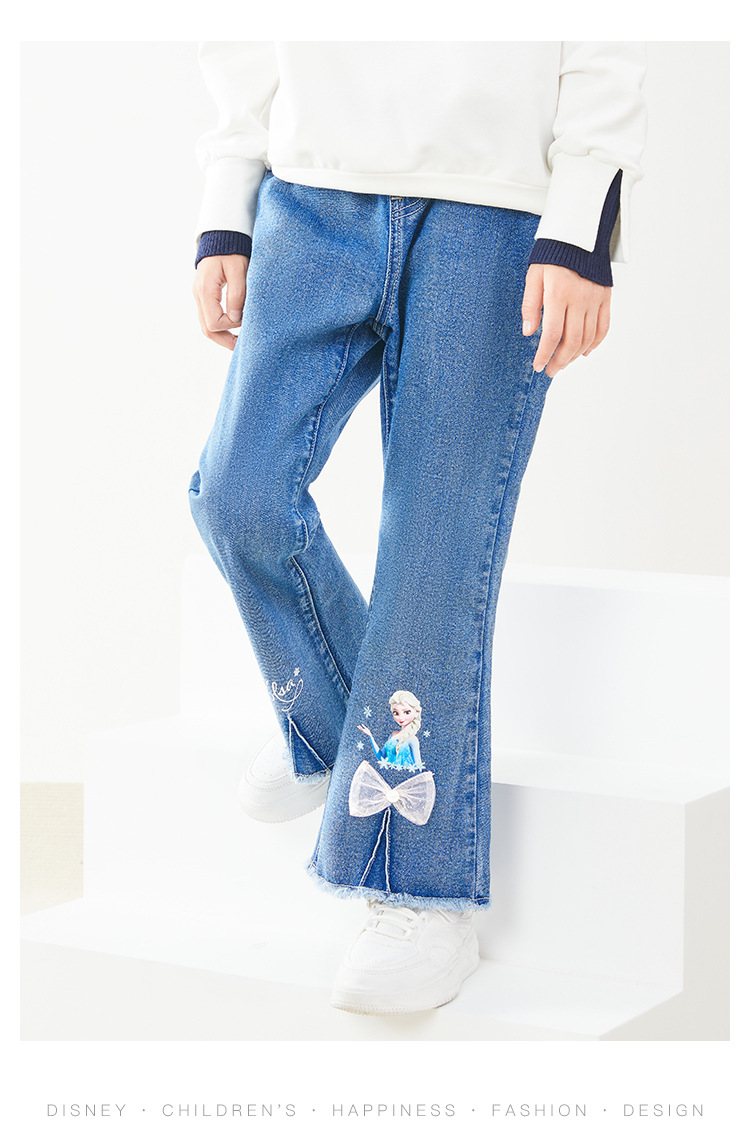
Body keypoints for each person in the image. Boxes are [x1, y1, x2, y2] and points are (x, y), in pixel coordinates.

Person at [189, 41, 647, 1016]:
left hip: (496, 202)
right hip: (311, 187)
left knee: (435, 549)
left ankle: (415, 886)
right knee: (239, 491)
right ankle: (334, 733)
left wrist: (585, 213)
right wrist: (230, 190)